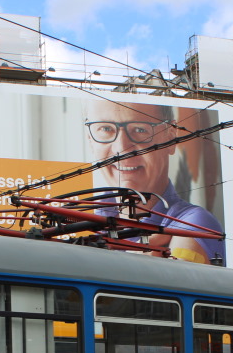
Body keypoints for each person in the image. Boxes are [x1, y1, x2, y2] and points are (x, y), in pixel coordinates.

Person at [84, 99, 225, 265]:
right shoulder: (81, 218)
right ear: (90, 140)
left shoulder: (196, 223)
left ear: (171, 137)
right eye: (106, 129)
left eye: (139, 129)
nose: (121, 149)